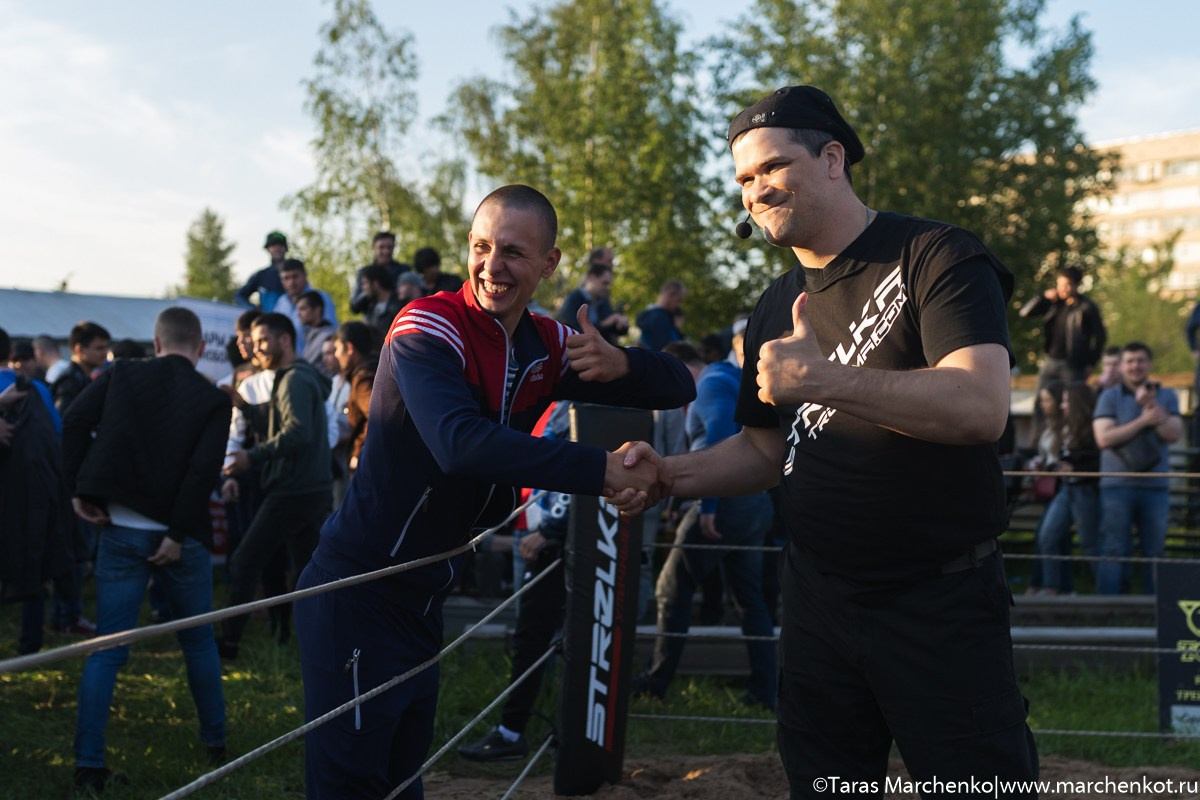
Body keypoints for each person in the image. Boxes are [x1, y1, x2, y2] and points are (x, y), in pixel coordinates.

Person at [612, 86, 1038, 797]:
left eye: (773, 167)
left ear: (833, 158)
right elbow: (760, 449)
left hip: (939, 602)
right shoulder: (776, 304)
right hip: (816, 601)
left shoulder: (935, 255)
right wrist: (667, 475)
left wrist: (821, 378)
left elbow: (979, 406)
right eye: (744, 178)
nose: (755, 190)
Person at [293, 184, 694, 799]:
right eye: (481, 246)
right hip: (360, 589)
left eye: (512, 250)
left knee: (402, 782)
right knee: (351, 785)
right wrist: (600, 471)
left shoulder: (545, 341)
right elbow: (460, 444)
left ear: (549, 264)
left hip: (424, 592)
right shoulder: (427, 323)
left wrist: (621, 364)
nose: (491, 265)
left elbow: (675, 386)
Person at [61, 307, 231, 792]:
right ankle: (216, 745)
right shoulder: (213, 399)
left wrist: (79, 491)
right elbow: (204, 474)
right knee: (198, 641)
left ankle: (88, 765)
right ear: (200, 349)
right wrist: (176, 535)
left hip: (119, 525)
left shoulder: (122, 373)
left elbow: (74, 420)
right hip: (180, 537)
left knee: (108, 648)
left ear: (156, 343)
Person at [634, 320, 776, 708]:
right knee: (750, 601)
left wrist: (707, 506)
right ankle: (767, 691)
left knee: (671, 589)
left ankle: (656, 682)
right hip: (755, 501)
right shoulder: (730, 379)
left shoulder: (710, 383)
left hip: (724, 504)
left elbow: (717, 436)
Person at [218, 312, 331, 658]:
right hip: (309, 488)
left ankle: (227, 645)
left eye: (264, 340)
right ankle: (310, 643)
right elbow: (280, 418)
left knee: (245, 560)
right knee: (307, 573)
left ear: (285, 339)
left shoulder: (294, 379)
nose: (257, 347)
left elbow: (296, 431)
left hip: (292, 490)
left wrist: (252, 457)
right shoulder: (301, 376)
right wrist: (246, 409)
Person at [1092, 342, 1183, 595]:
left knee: (1155, 550)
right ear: (1121, 366)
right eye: (1130, 361)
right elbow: (1104, 439)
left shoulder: (1167, 395)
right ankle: (1107, 611)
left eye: (1141, 360)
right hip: (1116, 486)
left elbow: (1173, 434)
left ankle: (1154, 611)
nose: (1135, 366)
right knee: (1114, 548)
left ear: (1150, 364)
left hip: (1156, 486)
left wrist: (1150, 406)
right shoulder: (1109, 396)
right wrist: (1144, 420)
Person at [1034, 382, 1100, 594]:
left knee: (1090, 545)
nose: (1062, 406)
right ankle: (1051, 588)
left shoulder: (1093, 428)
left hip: (1086, 491)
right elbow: (1060, 457)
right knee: (1047, 537)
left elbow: (1100, 461)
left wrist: (1075, 467)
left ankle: (1104, 594)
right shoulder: (1066, 427)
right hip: (1066, 489)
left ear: (1077, 404)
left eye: (1065, 401)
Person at [1019, 266, 1107, 393]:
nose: (1062, 288)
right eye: (1059, 284)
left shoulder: (1087, 307)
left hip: (1073, 365)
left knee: (1072, 402)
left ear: (1076, 285)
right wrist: (1042, 296)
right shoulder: (1054, 303)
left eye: (1066, 285)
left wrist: (1091, 363)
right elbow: (1025, 313)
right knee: (1041, 400)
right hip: (1051, 360)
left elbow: (1100, 337)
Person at [332, 321, 378, 476]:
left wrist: (358, 454)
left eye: (337, 348)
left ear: (349, 348)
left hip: (369, 464)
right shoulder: (374, 368)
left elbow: (378, 418)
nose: (336, 354)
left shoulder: (364, 378)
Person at [559, 261, 630, 345]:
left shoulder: (603, 302)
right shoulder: (573, 300)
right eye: (604, 283)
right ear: (592, 278)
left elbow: (614, 329)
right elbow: (572, 333)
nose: (607, 288)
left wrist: (622, 323)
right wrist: (606, 323)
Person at [53, 321, 112, 416]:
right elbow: (64, 419)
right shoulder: (69, 381)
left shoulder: (81, 377)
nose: (105, 353)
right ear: (79, 350)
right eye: (99, 348)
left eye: (106, 348)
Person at [350, 231, 412, 315]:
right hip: (371, 323)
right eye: (381, 247)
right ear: (374, 248)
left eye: (390, 247)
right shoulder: (364, 273)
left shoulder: (404, 270)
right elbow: (354, 306)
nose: (386, 251)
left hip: (398, 319)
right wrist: (367, 293)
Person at [274, 259, 338, 337]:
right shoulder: (281, 303)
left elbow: (330, 331)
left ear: (305, 275)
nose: (291, 282)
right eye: (286, 278)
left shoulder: (321, 298)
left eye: (295, 276)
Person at [295, 290, 337, 378]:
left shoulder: (328, 336)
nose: (298, 314)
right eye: (298, 309)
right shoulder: (310, 335)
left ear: (317, 310)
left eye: (303, 309)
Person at [636, 280, 686, 350]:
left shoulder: (652, 315)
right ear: (670, 295)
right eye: (679, 300)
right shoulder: (660, 318)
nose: (679, 305)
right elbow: (667, 351)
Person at [357, 263, 403, 337]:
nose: (363, 288)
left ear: (376, 283)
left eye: (365, 283)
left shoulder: (397, 308)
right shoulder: (369, 307)